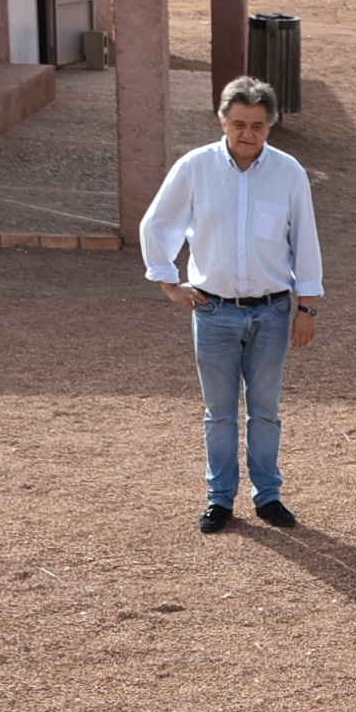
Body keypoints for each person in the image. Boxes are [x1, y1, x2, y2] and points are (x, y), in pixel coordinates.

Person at [140, 76, 326, 533]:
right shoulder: (195, 167)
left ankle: (268, 496)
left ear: (271, 126)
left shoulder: (289, 172)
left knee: (265, 409)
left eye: (258, 125)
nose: (248, 134)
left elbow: (305, 239)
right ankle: (220, 498)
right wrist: (168, 282)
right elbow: (157, 223)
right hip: (214, 311)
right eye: (239, 123)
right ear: (223, 121)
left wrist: (307, 307)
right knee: (219, 412)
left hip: (272, 311)